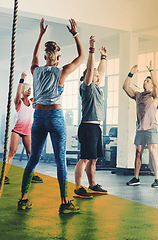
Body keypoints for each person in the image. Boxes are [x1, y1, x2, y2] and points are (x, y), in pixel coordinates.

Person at [18, 18, 85, 214]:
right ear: (57, 57)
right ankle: (65, 202)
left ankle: (23, 198)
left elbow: (34, 58)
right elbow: (81, 57)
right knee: (60, 160)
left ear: (45, 55)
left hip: (38, 118)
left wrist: (40, 35)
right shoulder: (61, 71)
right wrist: (75, 34)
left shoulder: (35, 71)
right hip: (55, 117)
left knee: (33, 159)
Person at [73, 36, 108, 198]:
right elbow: (91, 68)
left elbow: (101, 71)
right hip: (87, 127)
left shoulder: (97, 87)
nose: (98, 76)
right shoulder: (86, 87)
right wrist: (92, 49)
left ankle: (92, 184)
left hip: (96, 127)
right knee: (85, 159)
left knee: (93, 159)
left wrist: (104, 57)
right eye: (94, 75)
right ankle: (78, 187)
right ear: (88, 76)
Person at [122, 61, 158, 188]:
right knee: (138, 153)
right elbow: (125, 87)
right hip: (140, 129)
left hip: (151, 128)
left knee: (152, 151)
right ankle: (136, 177)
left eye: (147, 81)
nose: (145, 82)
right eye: (144, 80)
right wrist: (130, 73)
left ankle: (157, 179)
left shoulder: (154, 96)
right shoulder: (138, 95)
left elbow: (157, 85)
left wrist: (151, 71)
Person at [4, 72, 43, 185]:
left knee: (30, 153)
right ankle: (4, 175)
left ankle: (33, 175)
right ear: (23, 91)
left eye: (30, 89)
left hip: (27, 131)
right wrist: (21, 79)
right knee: (12, 153)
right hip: (16, 130)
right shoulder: (18, 102)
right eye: (27, 89)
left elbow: (39, 93)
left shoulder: (31, 102)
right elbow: (17, 92)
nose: (29, 91)